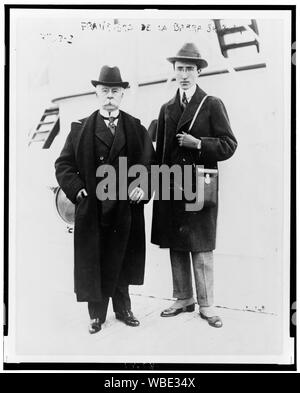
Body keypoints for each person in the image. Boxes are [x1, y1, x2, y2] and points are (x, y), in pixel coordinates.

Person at [55, 65, 155, 334]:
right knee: (95, 260)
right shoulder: (80, 129)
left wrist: (141, 187)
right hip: (94, 209)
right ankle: (96, 315)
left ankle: (124, 310)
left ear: (122, 94)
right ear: (96, 93)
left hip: (125, 208)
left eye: (115, 91)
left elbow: (150, 166)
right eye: (104, 90)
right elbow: (64, 165)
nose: (109, 95)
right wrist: (77, 190)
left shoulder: (136, 128)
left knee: (122, 258)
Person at [151, 43, 237, 328]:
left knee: (200, 246)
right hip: (173, 185)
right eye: (179, 69)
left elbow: (229, 145)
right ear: (174, 71)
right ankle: (183, 298)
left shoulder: (212, 103)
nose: (184, 74)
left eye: (189, 69)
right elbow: (161, 152)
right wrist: (155, 186)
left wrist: (199, 143)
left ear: (199, 71)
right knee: (176, 243)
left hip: (200, 185)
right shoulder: (166, 109)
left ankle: (207, 304)